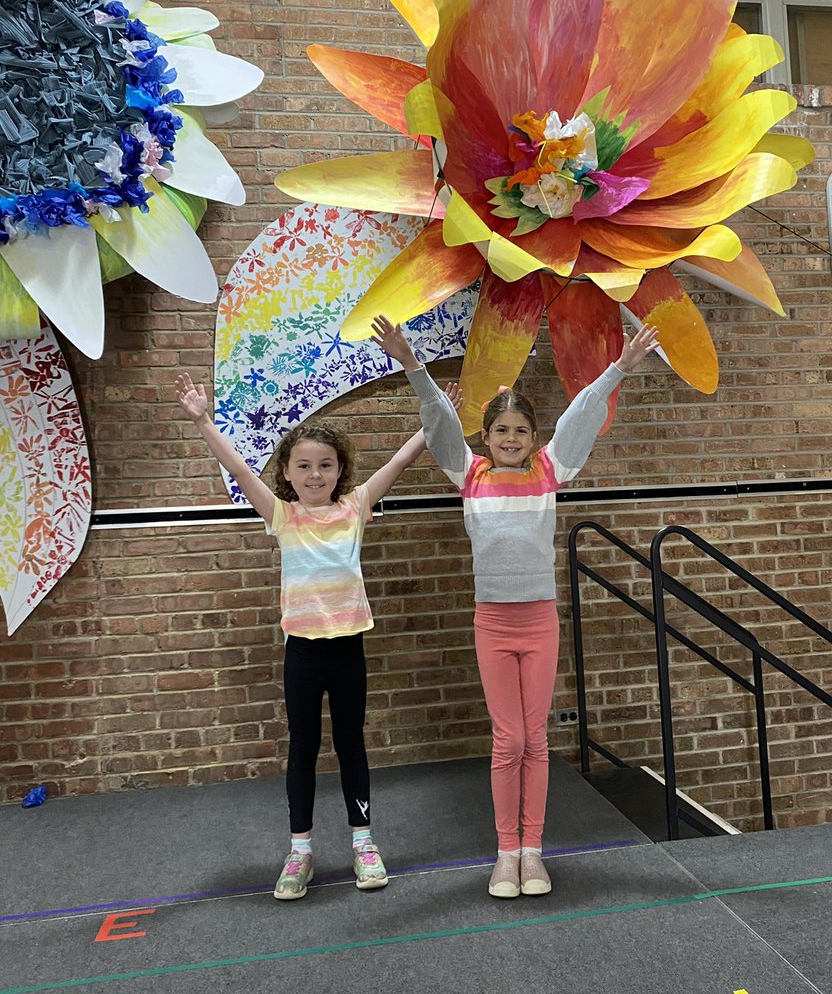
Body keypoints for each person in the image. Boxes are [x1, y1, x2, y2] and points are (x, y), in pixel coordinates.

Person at [370, 315, 659, 900]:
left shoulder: (550, 470)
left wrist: (618, 368)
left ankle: (534, 851)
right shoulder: (469, 473)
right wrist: (411, 363)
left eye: (520, 429)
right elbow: (438, 420)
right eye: (500, 429)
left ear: (533, 437)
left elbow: (579, 417)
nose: (510, 437)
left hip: (538, 621)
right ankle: (506, 853)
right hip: (493, 622)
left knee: (536, 737)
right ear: (486, 436)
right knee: (508, 741)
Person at [175, 372, 458, 901]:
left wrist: (435, 416)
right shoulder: (281, 514)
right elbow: (238, 466)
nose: (315, 474)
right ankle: (300, 851)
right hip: (302, 652)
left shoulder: (355, 507)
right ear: (286, 471)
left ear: (340, 471)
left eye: (325, 465)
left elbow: (399, 462)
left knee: (352, 744)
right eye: (303, 465)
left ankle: (363, 843)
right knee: (303, 747)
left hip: (348, 648)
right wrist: (202, 421)